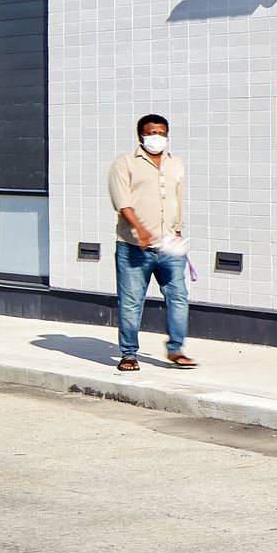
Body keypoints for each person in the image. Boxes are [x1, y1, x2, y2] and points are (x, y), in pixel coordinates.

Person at [107, 113, 192, 372]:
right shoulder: (124, 164)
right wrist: (141, 231)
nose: (157, 137)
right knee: (132, 301)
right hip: (133, 247)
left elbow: (178, 199)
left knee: (178, 297)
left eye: (162, 133)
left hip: (168, 247)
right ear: (141, 135)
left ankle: (176, 349)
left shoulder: (175, 163)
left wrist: (177, 230)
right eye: (152, 133)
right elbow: (123, 204)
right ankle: (129, 354)